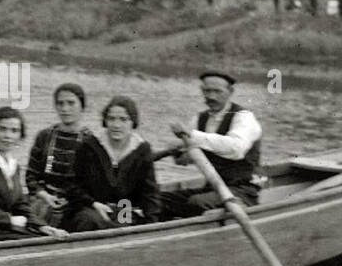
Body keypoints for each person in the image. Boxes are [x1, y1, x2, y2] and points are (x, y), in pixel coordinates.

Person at [162, 71, 264, 218]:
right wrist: (178, 152)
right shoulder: (199, 119)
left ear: (230, 92)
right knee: (160, 199)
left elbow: (236, 149)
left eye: (217, 91)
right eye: (206, 91)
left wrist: (192, 136)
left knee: (196, 202)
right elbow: (186, 159)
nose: (211, 97)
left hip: (243, 191)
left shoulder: (243, 118)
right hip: (213, 189)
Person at [0, 106, 67, 243]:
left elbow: (20, 203)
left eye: (14, 131)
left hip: (7, 229)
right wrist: (8, 219)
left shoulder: (13, 165)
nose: (8, 136)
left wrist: (42, 226)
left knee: (49, 239)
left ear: (20, 136)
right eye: (2, 129)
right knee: (37, 245)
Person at [64, 95, 159, 232]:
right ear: (105, 121)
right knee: (89, 221)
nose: (116, 125)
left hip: (123, 209)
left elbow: (150, 192)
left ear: (133, 122)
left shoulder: (142, 150)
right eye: (111, 119)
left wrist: (152, 226)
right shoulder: (89, 146)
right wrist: (93, 203)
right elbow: (71, 185)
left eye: (123, 119)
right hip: (91, 207)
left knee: (124, 227)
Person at [25, 82, 90, 227]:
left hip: (74, 203)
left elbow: (91, 185)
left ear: (82, 106)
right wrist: (44, 195)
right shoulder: (45, 136)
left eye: (71, 103)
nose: (65, 109)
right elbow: (31, 176)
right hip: (43, 199)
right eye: (60, 104)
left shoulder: (90, 142)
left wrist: (71, 200)